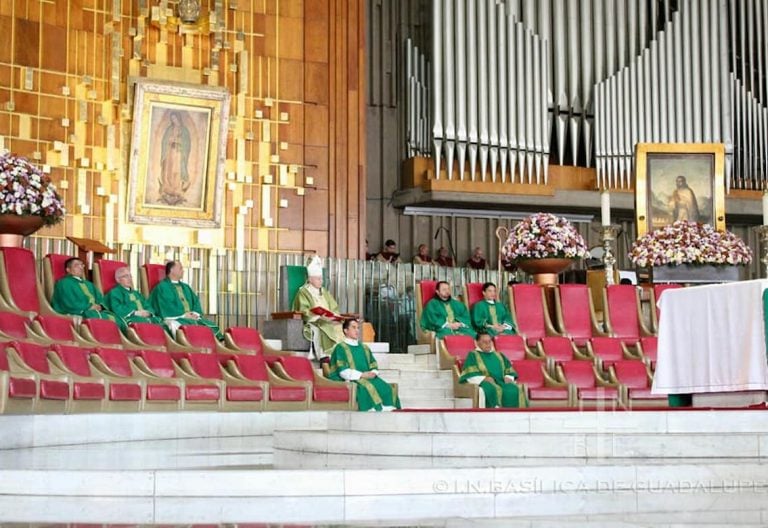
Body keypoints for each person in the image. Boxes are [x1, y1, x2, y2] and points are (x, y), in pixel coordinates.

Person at [327, 319, 401, 412]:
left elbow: (373, 364)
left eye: (358, 328)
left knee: (387, 387)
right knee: (367, 387)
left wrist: (373, 372)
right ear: (346, 331)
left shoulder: (364, 347)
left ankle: (388, 407)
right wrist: (361, 375)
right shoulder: (341, 348)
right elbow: (342, 370)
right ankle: (377, 408)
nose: (357, 330)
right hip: (352, 379)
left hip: (368, 377)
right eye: (353, 328)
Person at [149, 260, 223, 340]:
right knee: (175, 326)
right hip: (174, 318)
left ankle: (208, 349)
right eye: (180, 268)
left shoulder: (186, 287)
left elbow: (195, 301)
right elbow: (164, 306)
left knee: (211, 326)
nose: (183, 271)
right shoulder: (162, 287)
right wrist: (183, 315)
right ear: (172, 270)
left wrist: (194, 313)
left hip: (191, 318)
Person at [292, 255, 344, 362]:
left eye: (321, 279)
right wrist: (318, 317)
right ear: (310, 279)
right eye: (318, 279)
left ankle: (339, 357)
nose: (321, 281)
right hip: (314, 321)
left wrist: (334, 317)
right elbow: (303, 309)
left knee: (338, 327)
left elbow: (334, 307)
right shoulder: (303, 292)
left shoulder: (324, 291)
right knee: (324, 326)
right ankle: (325, 357)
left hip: (328, 320)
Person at [459, 331, 527, 408]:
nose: (488, 344)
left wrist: (508, 376)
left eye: (489, 341)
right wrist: (484, 378)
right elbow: (470, 373)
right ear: (477, 342)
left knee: (514, 389)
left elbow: (509, 369)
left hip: (501, 381)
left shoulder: (499, 355)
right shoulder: (473, 355)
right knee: (491, 390)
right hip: (486, 382)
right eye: (484, 342)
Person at [51, 258, 123, 329]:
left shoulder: (89, 284)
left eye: (82, 265)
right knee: (97, 318)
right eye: (76, 265)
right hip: (80, 312)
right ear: (68, 270)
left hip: (94, 311)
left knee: (117, 318)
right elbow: (68, 302)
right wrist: (89, 307)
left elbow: (100, 298)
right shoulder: (64, 283)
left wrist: (100, 306)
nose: (80, 267)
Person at [159, 111, 192, 206]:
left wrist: (179, 141)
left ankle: (177, 189)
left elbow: (187, 143)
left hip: (179, 154)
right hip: (170, 152)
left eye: (175, 119)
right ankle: (168, 188)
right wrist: (169, 140)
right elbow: (164, 141)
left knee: (176, 170)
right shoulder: (169, 129)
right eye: (172, 119)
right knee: (169, 169)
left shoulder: (184, 130)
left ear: (178, 119)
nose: (174, 121)